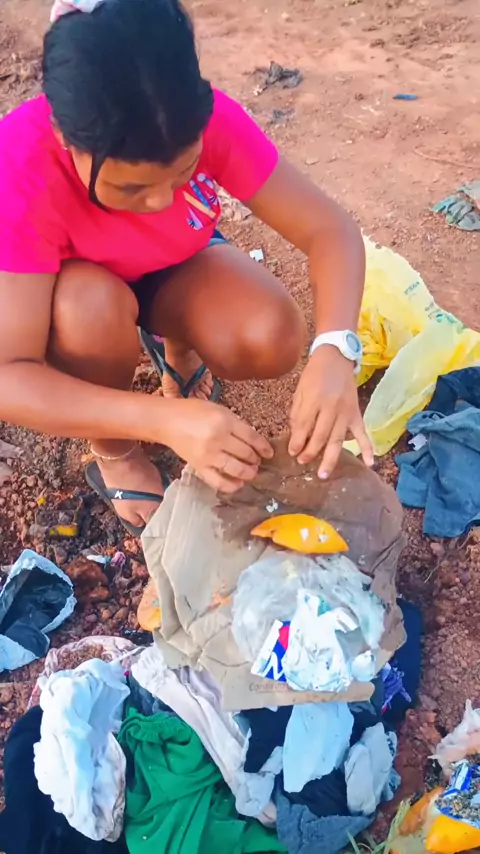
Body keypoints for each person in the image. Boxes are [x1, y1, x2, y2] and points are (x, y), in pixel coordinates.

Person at [0, 0, 373, 536]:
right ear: (64, 135)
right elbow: (9, 374)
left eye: (183, 173)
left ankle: (176, 345)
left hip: (174, 264)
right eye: (131, 187)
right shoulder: (18, 164)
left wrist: (336, 349)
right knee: (90, 308)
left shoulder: (201, 117)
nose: (159, 203)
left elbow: (329, 230)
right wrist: (161, 420)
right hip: (75, 294)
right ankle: (114, 451)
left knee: (270, 335)